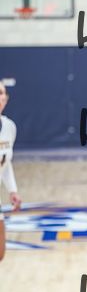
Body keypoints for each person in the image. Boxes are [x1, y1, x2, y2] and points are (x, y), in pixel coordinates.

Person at [0, 80, 22, 260]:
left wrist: (12, 190)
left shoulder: (9, 127)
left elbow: (5, 163)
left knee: (0, 252)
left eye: (1, 93)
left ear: (6, 99)